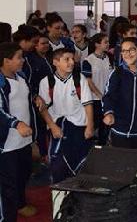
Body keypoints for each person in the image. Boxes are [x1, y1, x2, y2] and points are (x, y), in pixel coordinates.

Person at [37, 48, 95, 183]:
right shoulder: (46, 81)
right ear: (55, 62)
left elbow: (88, 104)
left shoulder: (79, 78)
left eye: (72, 59)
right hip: (58, 127)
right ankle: (60, 193)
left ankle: (81, 193)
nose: (71, 62)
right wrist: (52, 126)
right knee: (58, 163)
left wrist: (90, 126)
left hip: (79, 126)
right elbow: (43, 108)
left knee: (82, 160)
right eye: (66, 59)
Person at [102, 38, 137, 168]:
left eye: (131, 50)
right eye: (124, 51)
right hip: (120, 130)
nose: (127, 54)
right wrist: (108, 113)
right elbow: (108, 96)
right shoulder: (117, 73)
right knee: (121, 166)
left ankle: (136, 187)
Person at [0, 43, 37, 221]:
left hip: (24, 140)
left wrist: (37, 98)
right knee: (9, 186)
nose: (23, 60)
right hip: (7, 144)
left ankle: (20, 204)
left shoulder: (21, 76)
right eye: (19, 57)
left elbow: (27, 98)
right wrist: (16, 124)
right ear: (6, 61)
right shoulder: (0, 82)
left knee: (23, 175)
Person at [81, 33, 113, 146]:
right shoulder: (88, 61)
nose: (108, 44)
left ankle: (102, 147)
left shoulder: (109, 58)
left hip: (107, 98)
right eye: (105, 42)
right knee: (93, 125)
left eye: (108, 42)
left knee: (105, 126)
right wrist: (100, 95)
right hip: (95, 99)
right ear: (97, 44)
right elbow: (88, 82)